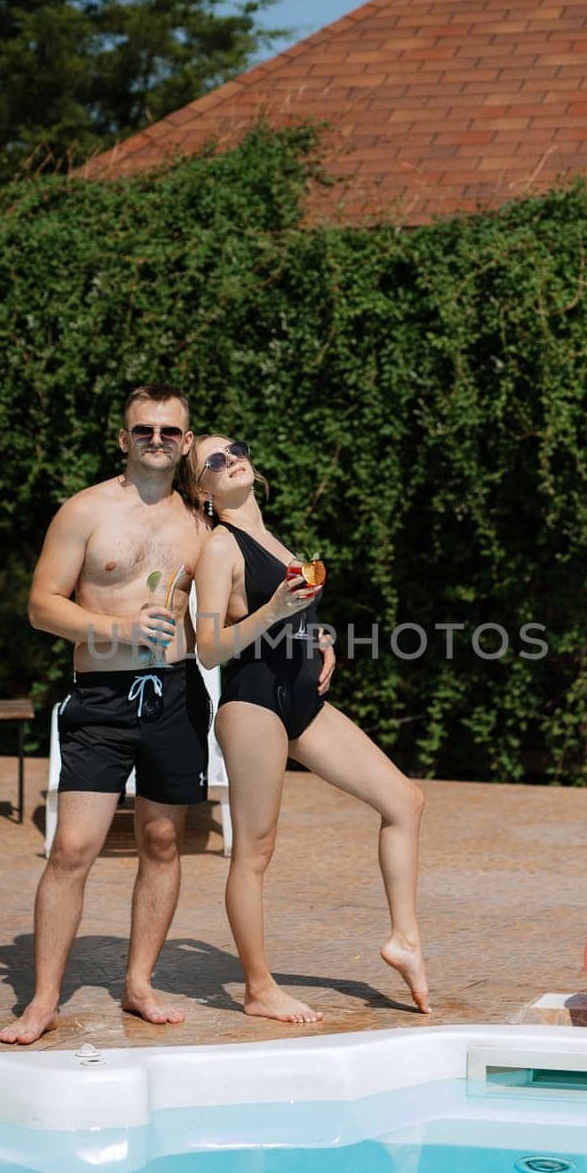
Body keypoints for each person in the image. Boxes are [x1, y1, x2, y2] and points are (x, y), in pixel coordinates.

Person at [181, 433, 430, 1024]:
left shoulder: (272, 536)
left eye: (236, 447)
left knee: (405, 800)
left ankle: (406, 940)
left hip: (301, 699)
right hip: (254, 702)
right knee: (256, 851)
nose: (232, 457)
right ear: (203, 490)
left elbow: (290, 614)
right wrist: (275, 613)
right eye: (214, 460)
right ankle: (258, 987)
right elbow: (212, 649)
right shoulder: (220, 547)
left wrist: (319, 636)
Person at [0, 384, 212, 1045]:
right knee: (72, 848)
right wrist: (115, 630)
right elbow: (41, 606)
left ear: (185, 442)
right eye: (143, 429)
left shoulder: (203, 523)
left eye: (169, 431)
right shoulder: (85, 511)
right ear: (124, 439)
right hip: (101, 700)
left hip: (176, 696)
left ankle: (139, 984)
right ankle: (40, 1001)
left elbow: (247, 590)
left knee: (163, 843)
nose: (156, 439)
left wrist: (309, 634)